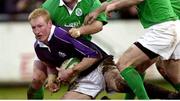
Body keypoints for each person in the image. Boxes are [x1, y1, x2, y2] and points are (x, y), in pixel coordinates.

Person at [28, 8, 180, 99]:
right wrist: (52, 79)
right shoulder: (39, 47)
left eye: (40, 26)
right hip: (81, 79)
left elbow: (94, 55)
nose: (37, 31)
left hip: (101, 66)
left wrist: (71, 71)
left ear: (49, 24)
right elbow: (50, 64)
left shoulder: (62, 34)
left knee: (121, 84)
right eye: (33, 27)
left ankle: (170, 96)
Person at [84, 0, 180, 99]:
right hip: (173, 28)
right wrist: (96, 11)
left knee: (123, 64)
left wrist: (113, 7)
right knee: (151, 69)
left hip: (164, 29)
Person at [27, 0, 107, 99]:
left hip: (80, 50)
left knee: (109, 80)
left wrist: (80, 31)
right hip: (53, 49)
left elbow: (99, 25)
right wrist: (52, 75)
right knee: (37, 79)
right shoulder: (49, 5)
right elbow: (42, 34)